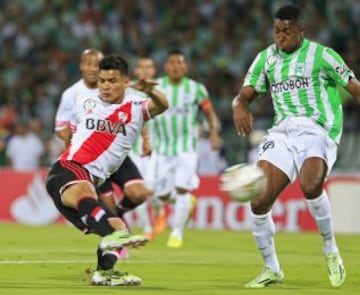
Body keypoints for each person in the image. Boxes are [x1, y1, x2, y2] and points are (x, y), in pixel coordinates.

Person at [232, 4, 360, 288]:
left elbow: (355, 88)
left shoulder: (322, 55)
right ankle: (272, 268)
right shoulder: (266, 58)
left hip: (318, 129)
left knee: (311, 186)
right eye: (277, 31)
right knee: (259, 200)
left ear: (302, 29)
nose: (280, 37)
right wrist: (239, 105)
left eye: (287, 31)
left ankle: (330, 249)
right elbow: (244, 95)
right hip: (283, 131)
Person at [46, 55, 168, 286]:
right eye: (102, 81)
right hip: (68, 170)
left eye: (112, 81)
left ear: (125, 81)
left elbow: (162, 105)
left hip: (89, 180)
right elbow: (71, 134)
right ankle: (110, 235)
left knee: (120, 226)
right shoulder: (84, 100)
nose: (105, 86)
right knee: (87, 195)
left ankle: (104, 273)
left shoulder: (135, 107)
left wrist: (150, 91)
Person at [54, 49, 154, 250]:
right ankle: (113, 246)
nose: (92, 68)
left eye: (96, 64)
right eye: (88, 64)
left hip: (116, 154)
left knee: (139, 193)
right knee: (104, 207)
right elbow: (62, 126)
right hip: (88, 159)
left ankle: (118, 213)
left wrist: (145, 138)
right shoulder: (72, 95)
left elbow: (138, 114)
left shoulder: (125, 92)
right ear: (82, 66)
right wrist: (72, 149)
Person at [152, 50, 221, 248]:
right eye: (171, 62)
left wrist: (214, 133)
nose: (175, 66)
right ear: (166, 67)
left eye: (179, 62)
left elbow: (209, 113)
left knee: (182, 187)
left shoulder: (196, 89)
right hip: (162, 148)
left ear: (185, 67)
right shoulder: (157, 86)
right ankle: (184, 202)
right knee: (161, 194)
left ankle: (177, 232)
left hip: (187, 147)